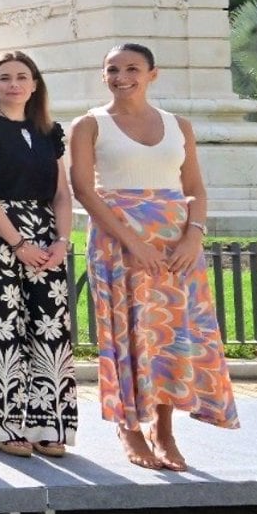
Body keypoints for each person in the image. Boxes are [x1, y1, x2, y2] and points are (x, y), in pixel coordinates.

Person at [69, 44, 238, 470]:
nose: (122, 76)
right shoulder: (90, 124)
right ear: (103, 74)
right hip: (117, 241)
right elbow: (84, 191)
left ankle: (163, 432)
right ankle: (128, 429)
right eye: (113, 69)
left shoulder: (178, 125)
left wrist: (193, 237)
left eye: (132, 69)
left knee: (169, 336)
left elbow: (196, 188)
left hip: (175, 242)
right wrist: (131, 241)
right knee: (127, 333)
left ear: (152, 74)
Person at [0, 51, 78, 458]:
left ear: (35, 84)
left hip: (49, 237)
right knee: (1, 331)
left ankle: (48, 423)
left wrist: (61, 242)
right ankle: (1, 424)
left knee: (50, 331)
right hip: (0, 236)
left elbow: (63, 194)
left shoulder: (50, 132)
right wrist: (18, 243)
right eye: (5, 77)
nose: (14, 83)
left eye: (22, 76)